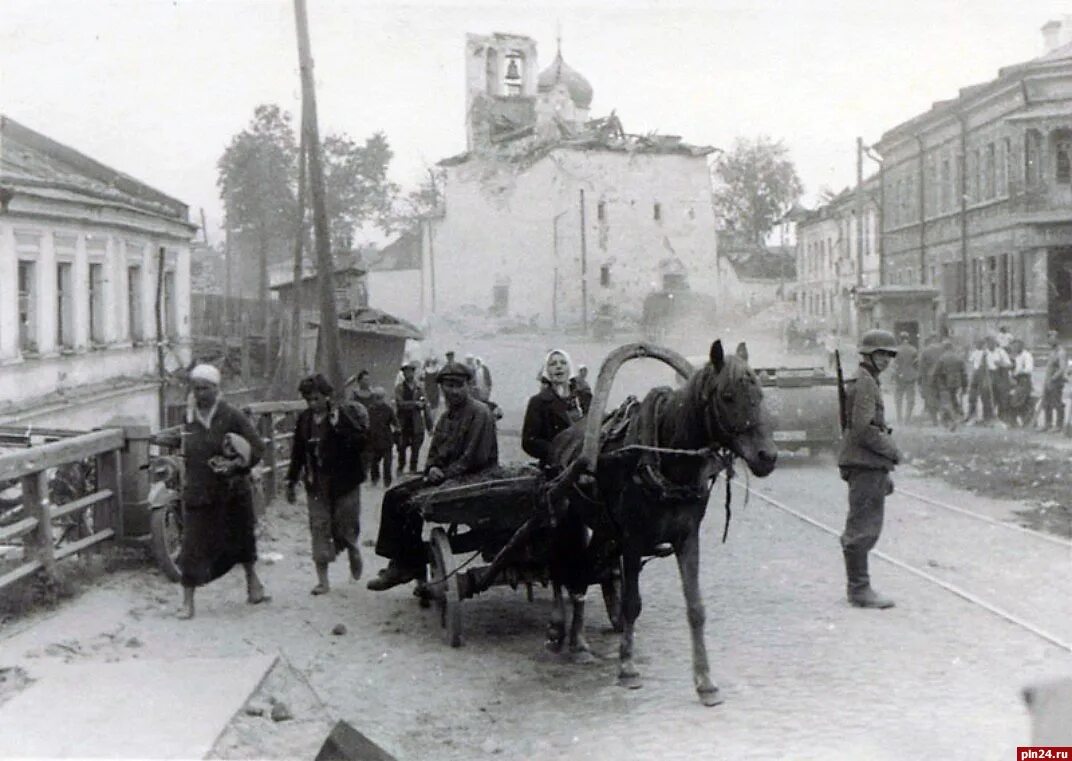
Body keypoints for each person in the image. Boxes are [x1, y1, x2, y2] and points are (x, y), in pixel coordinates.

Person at [367, 361, 499, 591]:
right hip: (448, 477)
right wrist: (431, 468)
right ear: (441, 388)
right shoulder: (446, 417)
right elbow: (434, 451)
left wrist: (444, 473)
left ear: (468, 385)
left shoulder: (480, 413)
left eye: (458, 385)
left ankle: (405, 565)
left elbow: (474, 458)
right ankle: (401, 563)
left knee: (407, 502)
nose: (453, 391)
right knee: (395, 495)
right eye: (448, 386)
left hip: (476, 477)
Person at [173, 364, 267, 619]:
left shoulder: (232, 415)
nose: (200, 394)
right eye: (196, 388)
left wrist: (236, 465)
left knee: (243, 539)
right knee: (191, 546)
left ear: (216, 389)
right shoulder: (188, 418)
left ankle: (253, 583)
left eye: (205, 388)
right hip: (199, 491)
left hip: (231, 491)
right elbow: (182, 445)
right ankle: (187, 602)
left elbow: (257, 447)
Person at [286, 374, 368, 595]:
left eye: (316, 399)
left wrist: (339, 428)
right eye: (308, 400)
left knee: (345, 525)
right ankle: (323, 581)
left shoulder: (343, 415)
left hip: (345, 482)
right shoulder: (304, 420)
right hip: (317, 483)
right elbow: (298, 452)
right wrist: (291, 481)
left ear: (327, 396)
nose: (313, 404)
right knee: (319, 527)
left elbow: (361, 442)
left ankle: (352, 550)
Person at [837, 329, 901, 609]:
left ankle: (858, 587)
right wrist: (892, 451)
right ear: (868, 355)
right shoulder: (865, 383)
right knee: (863, 528)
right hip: (865, 462)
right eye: (880, 354)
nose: (886, 359)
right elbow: (864, 429)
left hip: (867, 463)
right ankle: (859, 590)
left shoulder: (865, 379)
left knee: (864, 525)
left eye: (888, 354)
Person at [522, 349, 586, 465]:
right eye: (553, 364)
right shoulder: (538, 402)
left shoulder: (584, 398)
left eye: (563, 363)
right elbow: (529, 442)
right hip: (557, 466)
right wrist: (557, 451)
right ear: (547, 371)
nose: (558, 367)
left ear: (569, 368)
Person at [394, 362, 427, 475]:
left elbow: (423, 402)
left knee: (416, 447)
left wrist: (429, 424)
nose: (408, 374)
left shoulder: (419, 388)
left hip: (416, 421)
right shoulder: (399, 388)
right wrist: (415, 404)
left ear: (413, 373)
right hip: (403, 421)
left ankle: (413, 468)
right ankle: (401, 466)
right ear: (403, 374)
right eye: (406, 372)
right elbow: (400, 403)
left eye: (410, 371)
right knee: (402, 446)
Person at [365, 386, 398, 487]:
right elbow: (366, 424)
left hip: (386, 440)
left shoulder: (388, 409)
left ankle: (387, 483)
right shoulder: (370, 410)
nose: (379, 400)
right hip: (374, 441)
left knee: (387, 465)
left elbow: (395, 423)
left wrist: (397, 434)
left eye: (381, 397)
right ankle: (375, 480)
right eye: (377, 397)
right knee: (374, 463)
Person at [931, 339, 967, 431]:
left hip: (944, 383)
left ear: (945, 348)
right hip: (955, 384)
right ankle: (956, 418)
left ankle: (953, 421)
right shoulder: (958, 358)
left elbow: (935, 372)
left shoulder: (942, 358)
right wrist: (964, 386)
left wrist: (932, 383)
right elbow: (964, 373)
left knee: (946, 403)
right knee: (953, 400)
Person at [1041, 330, 1068, 432]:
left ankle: (1059, 425)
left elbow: (1061, 369)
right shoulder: (1051, 351)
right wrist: (1046, 380)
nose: (1050, 341)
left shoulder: (1061, 352)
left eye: (1053, 338)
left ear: (1057, 339)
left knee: (1056, 402)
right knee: (1046, 403)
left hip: (1056, 381)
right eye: (1049, 339)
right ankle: (1048, 424)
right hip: (1048, 380)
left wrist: (1052, 379)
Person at [891, 331, 919, 424]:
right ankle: (907, 419)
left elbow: (894, 365)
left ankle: (899, 418)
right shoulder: (913, 350)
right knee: (910, 398)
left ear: (900, 339)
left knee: (899, 398)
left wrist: (895, 375)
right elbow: (916, 364)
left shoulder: (896, 350)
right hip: (911, 376)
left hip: (900, 376)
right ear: (908, 339)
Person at [1007, 338, 1035, 428]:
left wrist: (1017, 372)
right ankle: (1026, 422)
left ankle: (1017, 423)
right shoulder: (1017, 357)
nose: (1014, 348)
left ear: (1021, 346)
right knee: (1022, 402)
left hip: (1025, 381)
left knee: (1016, 401)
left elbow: (1029, 369)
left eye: (1016, 346)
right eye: (1013, 346)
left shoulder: (1027, 355)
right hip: (1018, 381)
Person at [918, 334, 943, 425]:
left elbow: (921, 367)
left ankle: (934, 420)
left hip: (929, 377)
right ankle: (944, 420)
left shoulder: (925, 351)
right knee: (941, 398)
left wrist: (920, 380)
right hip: (941, 377)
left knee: (931, 398)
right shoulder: (943, 349)